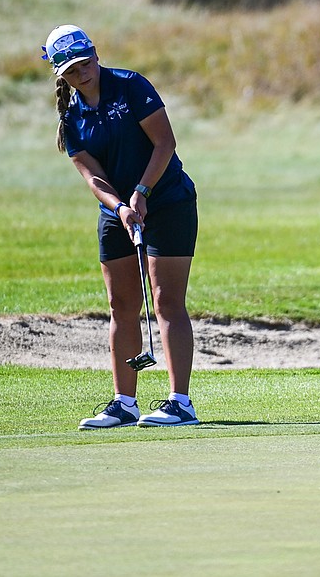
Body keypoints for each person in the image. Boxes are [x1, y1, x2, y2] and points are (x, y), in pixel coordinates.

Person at [42, 24, 200, 429]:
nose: (84, 72)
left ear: (96, 53)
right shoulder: (71, 119)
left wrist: (142, 193)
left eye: (86, 61)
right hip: (117, 213)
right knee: (121, 306)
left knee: (166, 302)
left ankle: (180, 403)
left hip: (168, 201)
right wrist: (122, 208)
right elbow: (93, 178)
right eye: (73, 70)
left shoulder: (131, 86)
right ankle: (124, 403)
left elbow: (165, 143)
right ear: (62, 76)